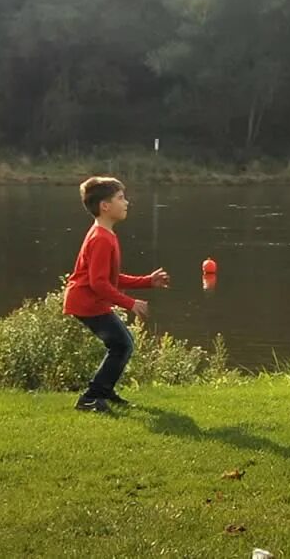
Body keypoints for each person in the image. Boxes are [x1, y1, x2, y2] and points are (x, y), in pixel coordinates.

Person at [62, 176, 169, 412]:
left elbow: (111, 278)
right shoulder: (101, 238)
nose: (127, 202)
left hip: (90, 301)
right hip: (86, 302)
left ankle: (103, 391)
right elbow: (99, 283)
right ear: (105, 206)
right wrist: (130, 303)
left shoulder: (105, 234)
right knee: (122, 344)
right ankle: (91, 397)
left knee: (122, 344)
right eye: (121, 198)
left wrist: (147, 281)